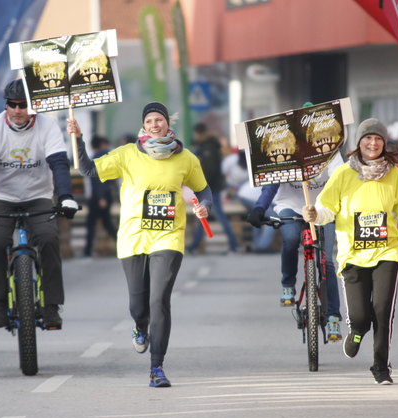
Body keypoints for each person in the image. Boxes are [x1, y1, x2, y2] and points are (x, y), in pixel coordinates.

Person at [68, 101, 212, 388]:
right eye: (149, 121)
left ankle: (156, 367)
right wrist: (78, 138)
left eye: (159, 120)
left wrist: (204, 205)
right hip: (133, 235)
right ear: (143, 126)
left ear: (167, 124)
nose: (154, 125)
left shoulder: (186, 158)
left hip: (168, 234)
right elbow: (87, 169)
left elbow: (203, 189)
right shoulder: (127, 154)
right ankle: (139, 326)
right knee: (139, 305)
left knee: (159, 301)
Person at [301, 118, 398, 385]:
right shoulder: (343, 174)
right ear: (358, 143)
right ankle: (356, 331)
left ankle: (381, 368)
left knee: (383, 310)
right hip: (352, 254)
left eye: (378, 139)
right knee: (360, 317)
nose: (373, 143)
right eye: (368, 139)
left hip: (387, 252)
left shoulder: (394, 175)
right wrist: (314, 213)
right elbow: (326, 211)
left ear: (384, 143)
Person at [0, 79, 79, 330]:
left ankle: (51, 306)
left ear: (33, 106)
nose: (17, 110)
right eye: (12, 105)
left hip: (38, 197)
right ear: (6, 105)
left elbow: (59, 163)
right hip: (2, 198)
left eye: (23, 105)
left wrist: (66, 196)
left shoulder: (47, 126)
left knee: (48, 239)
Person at [247, 153, 344, 341]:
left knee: (327, 262)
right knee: (290, 238)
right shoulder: (282, 151)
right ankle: (288, 284)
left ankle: (333, 317)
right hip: (289, 205)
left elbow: (340, 178)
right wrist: (259, 208)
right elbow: (271, 185)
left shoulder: (329, 149)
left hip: (323, 208)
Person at [186, 122, 238, 254]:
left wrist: (203, 187)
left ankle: (233, 245)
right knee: (203, 217)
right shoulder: (207, 146)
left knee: (216, 217)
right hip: (210, 188)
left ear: (200, 134)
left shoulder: (208, 149)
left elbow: (210, 170)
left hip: (210, 188)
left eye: (197, 135)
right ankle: (194, 246)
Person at [83, 135, 118, 257]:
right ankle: (120, 245)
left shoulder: (97, 157)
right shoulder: (103, 156)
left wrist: (101, 197)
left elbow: (99, 180)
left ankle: (87, 251)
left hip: (98, 197)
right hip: (100, 196)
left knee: (94, 223)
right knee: (106, 223)